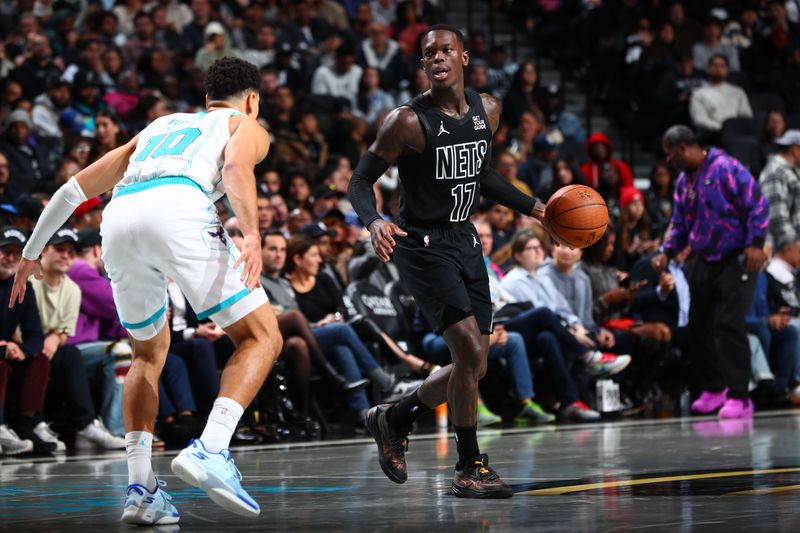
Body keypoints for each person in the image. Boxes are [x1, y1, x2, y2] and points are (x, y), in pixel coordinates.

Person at [9, 58, 283, 524]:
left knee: (146, 354)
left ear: (204, 100)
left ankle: (141, 491)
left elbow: (74, 190)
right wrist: (252, 235)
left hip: (119, 217)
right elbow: (237, 166)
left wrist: (31, 252)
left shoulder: (160, 126)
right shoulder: (245, 123)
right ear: (253, 99)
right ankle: (212, 447)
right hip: (179, 205)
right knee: (263, 337)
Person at [348, 25, 561, 499]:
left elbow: (481, 174)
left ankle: (395, 416)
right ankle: (469, 466)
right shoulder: (405, 121)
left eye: (447, 50)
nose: (438, 58)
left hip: (464, 239)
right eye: (429, 54)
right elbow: (359, 182)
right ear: (423, 65)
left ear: (464, 57)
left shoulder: (489, 110)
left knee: (476, 363)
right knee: (468, 352)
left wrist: (537, 208)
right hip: (420, 245)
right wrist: (374, 222)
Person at [652, 125, 768, 420]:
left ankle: (740, 396)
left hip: (738, 257)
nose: (668, 160)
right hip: (704, 258)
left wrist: (756, 243)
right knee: (698, 324)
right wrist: (665, 251)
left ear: (682, 149)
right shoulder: (683, 182)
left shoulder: (726, 167)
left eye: (670, 154)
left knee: (729, 323)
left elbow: (757, 203)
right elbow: (679, 223)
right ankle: (715, 388)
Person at [759, 130, 800, 249]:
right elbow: (777, 216)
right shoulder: (776, 172)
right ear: (794, 150)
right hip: (782, 250)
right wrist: (794, 247)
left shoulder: (792, 170)